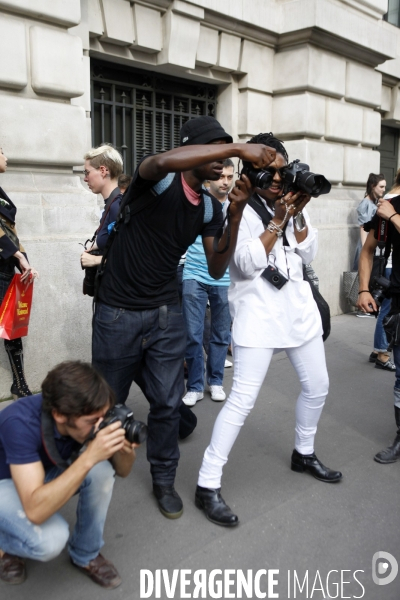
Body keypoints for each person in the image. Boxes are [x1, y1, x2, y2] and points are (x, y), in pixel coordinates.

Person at [91, 115, 276, 520]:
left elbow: (215, 268)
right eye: (213, 149)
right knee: (106, 404)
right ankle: (90, 481)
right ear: (191, 150)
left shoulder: (209, 206)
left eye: (225, 151)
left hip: (165, 313)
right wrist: (236, 148)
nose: (222, 162)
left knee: (166, 405)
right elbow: (160, 162)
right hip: (117, 313)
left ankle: (163, 480)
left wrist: (237, 212)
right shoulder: (158, 179)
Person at [195, 133, 342, 527]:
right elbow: (244, 263)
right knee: (242, 400)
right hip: (258, 316)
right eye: (269, 170)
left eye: (283, 170)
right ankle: (207, 483)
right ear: (253, 168)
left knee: (318, 386)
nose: (278, 178)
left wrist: (295, 214)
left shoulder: (292, 202)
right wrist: (276, 222)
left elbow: (309, 252)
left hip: (298, 311)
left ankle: (303, 452)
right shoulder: (237, 208)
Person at [0, 361, 137, 588]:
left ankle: (86, 553)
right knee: (50, 540)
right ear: (60, 415)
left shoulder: (88, 412)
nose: (100, 426)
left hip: (40, 472)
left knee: (102, 470)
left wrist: (124, 449)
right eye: (93, 421)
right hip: (5, 480)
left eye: (104, 416)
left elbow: (122, 472)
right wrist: (90, 456)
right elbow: (35, 510)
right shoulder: (19, 423)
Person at [182, 159, 235, 406]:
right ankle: (194, 385)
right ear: (209, 179)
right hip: (193, 272)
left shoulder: (238, 205)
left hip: (223, 277)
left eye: (229, 177)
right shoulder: (195, 202)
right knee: (192, 334)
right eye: (221, 177)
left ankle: (215, 382)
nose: (226, 182)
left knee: (220, 334)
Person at [357, 186, 400, 464]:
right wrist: (363, 289)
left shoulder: (391, 210)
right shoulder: (389, 206)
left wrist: (395, 216)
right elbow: (368, 251)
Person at [0, 147, 39, 398]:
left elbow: (9, 231)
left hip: (4, 269)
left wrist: (23, 260)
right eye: (1, 152)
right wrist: (16, 255)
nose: (6, 157)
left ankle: (20, 385)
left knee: (12, 328)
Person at [80, 145, 123, 270]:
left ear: (103, 171)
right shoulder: (112, 204)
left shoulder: (117, 207)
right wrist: (98, 244)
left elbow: (131, 255)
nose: (85, 178)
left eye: (87, 172)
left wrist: (96, 260)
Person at [353, 173, 386, 319]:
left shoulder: (374, 203)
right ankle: (362, 307)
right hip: (366, 244)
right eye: (381, 186)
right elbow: (363, 227)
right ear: (373, 186)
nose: (383, 190)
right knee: (366, 276)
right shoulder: (365, 203)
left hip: (373, 246)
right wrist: (365, 248)